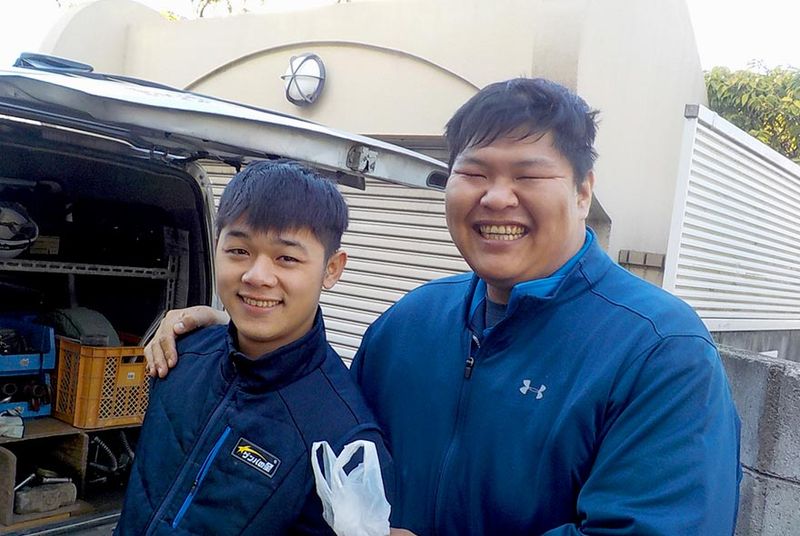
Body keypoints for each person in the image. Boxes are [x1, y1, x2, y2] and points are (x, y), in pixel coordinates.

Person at [145, 78, 741, 535]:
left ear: (583, 191)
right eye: (474, 172)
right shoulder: (411, 324)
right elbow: (319, 414)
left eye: (528, 175)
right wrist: (239, 334)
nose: (497, 197)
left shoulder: (660, 352)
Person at [117, 160, 393, 535]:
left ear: (331, 269)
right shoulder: (182, 355)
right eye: (239, 250)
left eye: (286, 258)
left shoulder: (344, 442)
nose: (256, 276)